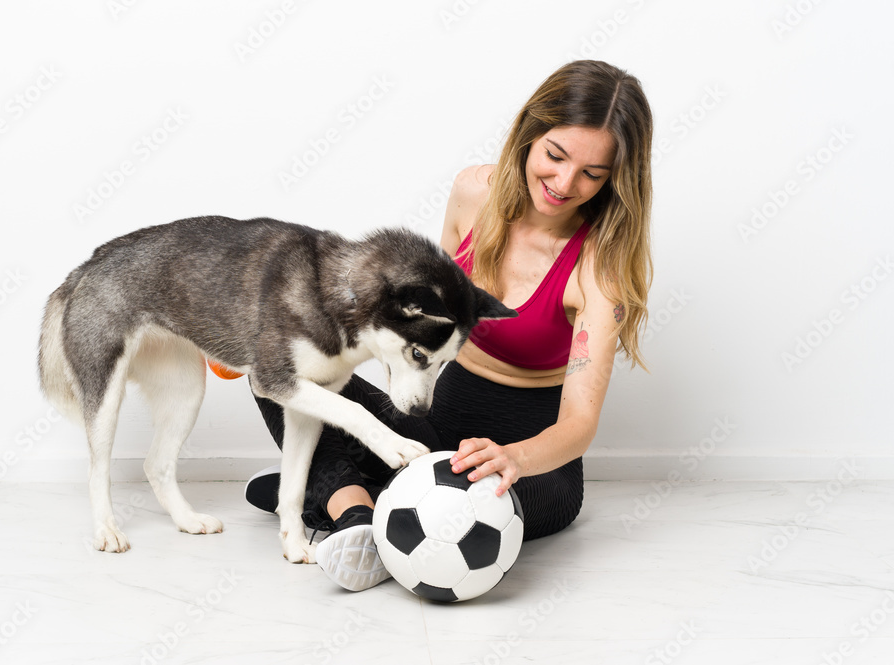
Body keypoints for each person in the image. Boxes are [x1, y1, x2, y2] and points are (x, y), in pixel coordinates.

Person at [247, 59, 653, 591]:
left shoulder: (599, 268)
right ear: (528, 135)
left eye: (592, 175)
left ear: (615, 179)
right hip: (434, 423)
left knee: (451, 513)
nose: (563, 182)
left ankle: (344, 488)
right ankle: (356, 516)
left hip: (526, 466)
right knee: (274, 371)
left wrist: (515, 458)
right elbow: (420, 324)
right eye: (554, 156)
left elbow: (579, 423)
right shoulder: (472, 193)